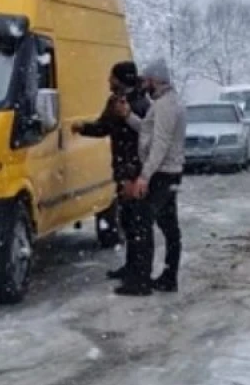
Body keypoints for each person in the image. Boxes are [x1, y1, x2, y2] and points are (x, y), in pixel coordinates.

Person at [71, 62, 151, 279]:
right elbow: (104, 127)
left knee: (138, 224)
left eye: (112, 77)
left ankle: (139, 271)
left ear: (121, 79)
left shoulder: (141, 104)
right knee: (127, 221)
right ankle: (131, 266)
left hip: (135, 172)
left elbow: (147, 138)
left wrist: (135, 173)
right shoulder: (115, 102)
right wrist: (84, 128)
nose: (109, 81)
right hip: (122, 169)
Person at [115, 58, 186, 296]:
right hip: (168, 173)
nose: (143, 84)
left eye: (146, 80)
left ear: (155, 80)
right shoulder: (164, 103)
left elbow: (160, 143)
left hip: (162, 174)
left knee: (142, 223)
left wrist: (145, 176)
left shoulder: (165, 106)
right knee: (168, 225)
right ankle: (168, 277)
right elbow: (148, 130)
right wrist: (128, 117)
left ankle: (142, 281)